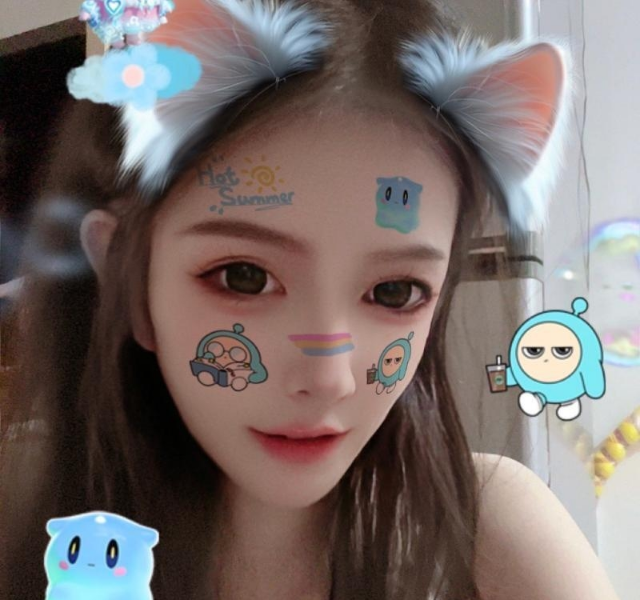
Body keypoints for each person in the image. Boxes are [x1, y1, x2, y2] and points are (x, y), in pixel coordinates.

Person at [0, 0, 621, 599]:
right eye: (244, 277)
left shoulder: (493, 532)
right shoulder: (27, 520)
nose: (329, 380)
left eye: (395, 291)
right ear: (128, 283)